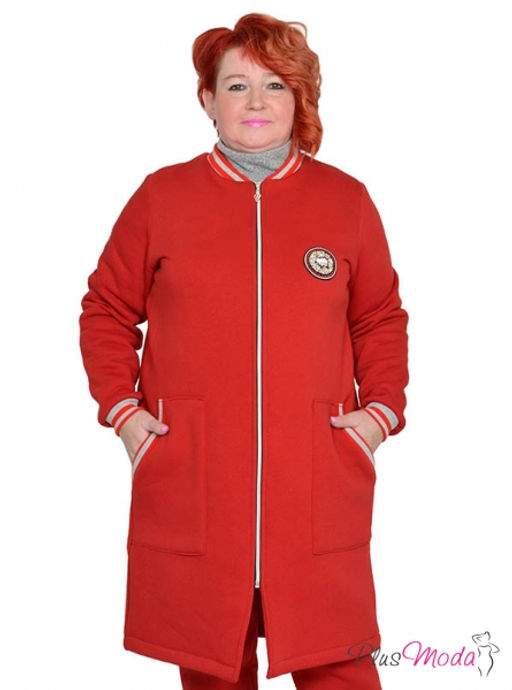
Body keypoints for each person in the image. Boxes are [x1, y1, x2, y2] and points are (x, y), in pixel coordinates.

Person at [78, 12, 409, 690]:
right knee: (215, 669)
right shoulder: (162, 197)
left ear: (299, 97)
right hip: (196, 484)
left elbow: (379, 318)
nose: (256, 101)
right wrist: (125, 414)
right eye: (236, 86)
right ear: (208, 100)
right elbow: (106, 310)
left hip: (314, 486)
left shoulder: (345, 201)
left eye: (275, 85)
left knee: (339, 665)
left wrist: (377, 416)